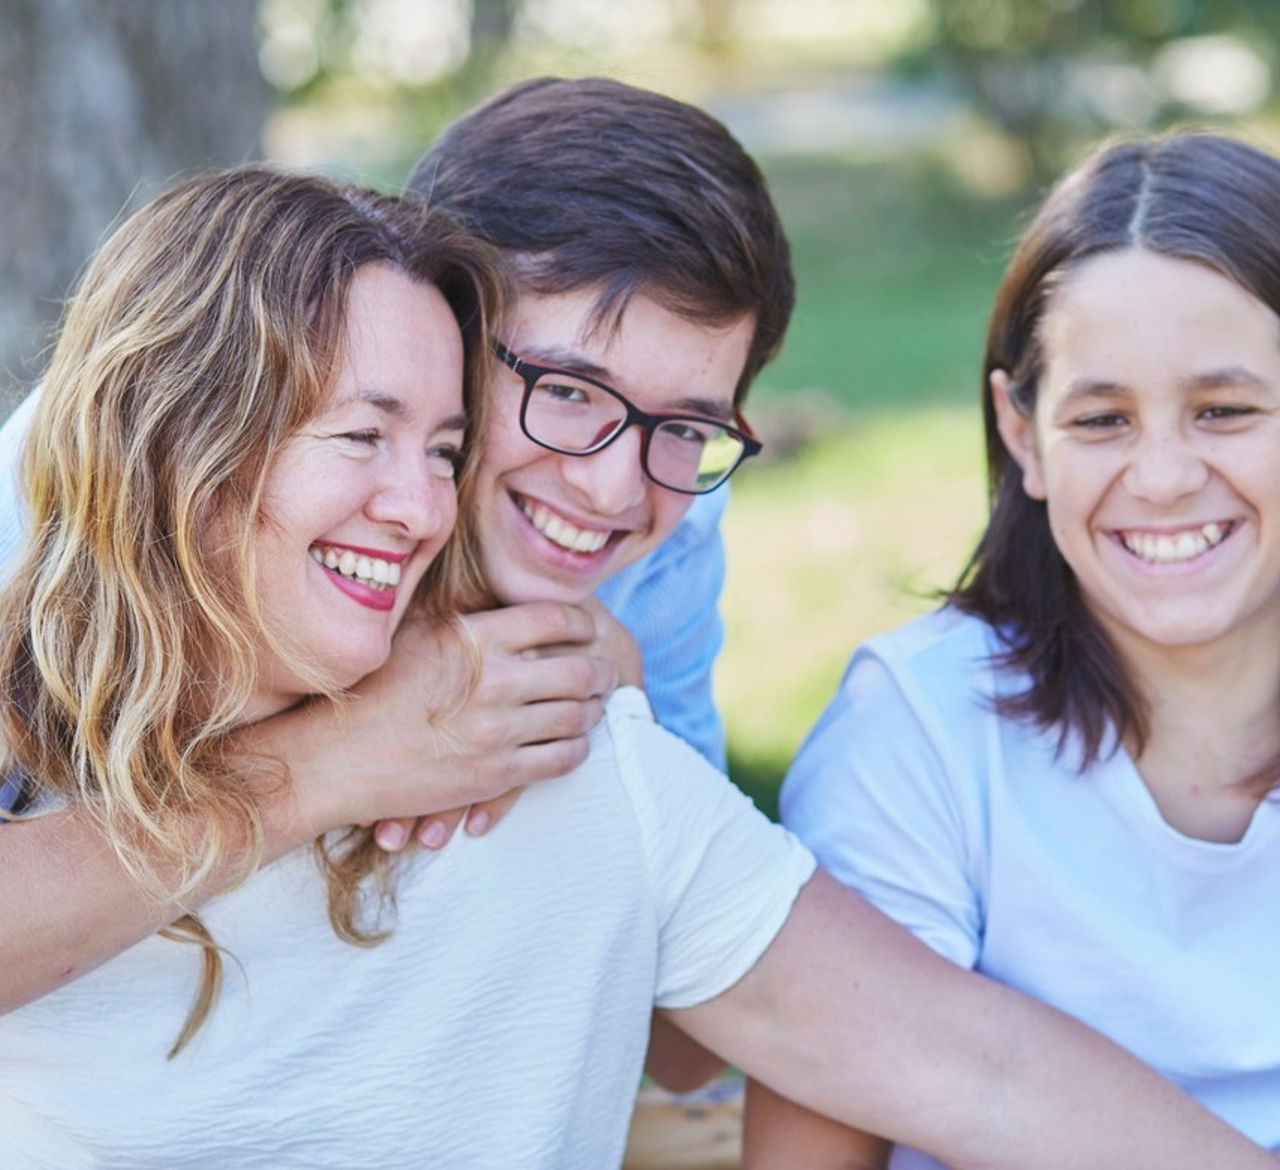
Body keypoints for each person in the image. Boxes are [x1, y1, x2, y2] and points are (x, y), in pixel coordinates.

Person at [0, 164, 1272, 1170]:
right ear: (186, 440)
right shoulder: (35, 738)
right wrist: (314, 769)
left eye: (443, 449)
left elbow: (969, 1066)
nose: (419, 504)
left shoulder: (561, 746)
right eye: (360, 434)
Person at [744, 131, 1280, 1165]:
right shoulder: (918, 733)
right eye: (1100, 418)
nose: (1162, 475)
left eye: (1222, 410)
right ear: (1021, 432)